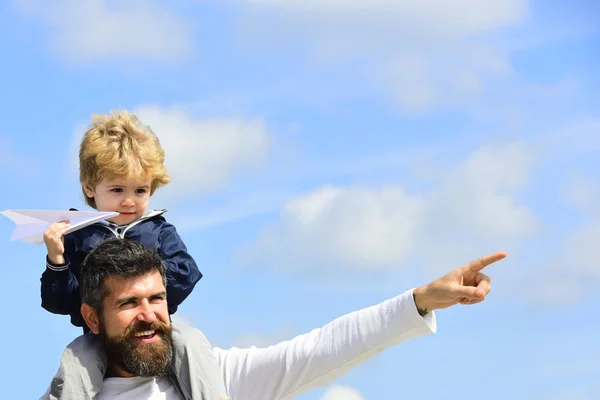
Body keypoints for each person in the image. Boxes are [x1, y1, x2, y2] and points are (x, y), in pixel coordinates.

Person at [43, 238, 505, 400]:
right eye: (129, 304)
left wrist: (419, 300)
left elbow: (322, 349)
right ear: (92, 317)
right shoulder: (69, 393)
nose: (149, 316)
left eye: (157, 299)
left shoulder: (214, 378)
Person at [40, 109, 202, 332]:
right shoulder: (78, 234)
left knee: (191, 342)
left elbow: (186, 275)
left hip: (154, 334)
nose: (129, 201)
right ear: (89, 187)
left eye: (140, 190)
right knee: (76, 359)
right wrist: (56, 259)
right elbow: (58, 302)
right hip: (98, 340)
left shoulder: (159, 231)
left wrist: (131, 283)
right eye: (117, 189)